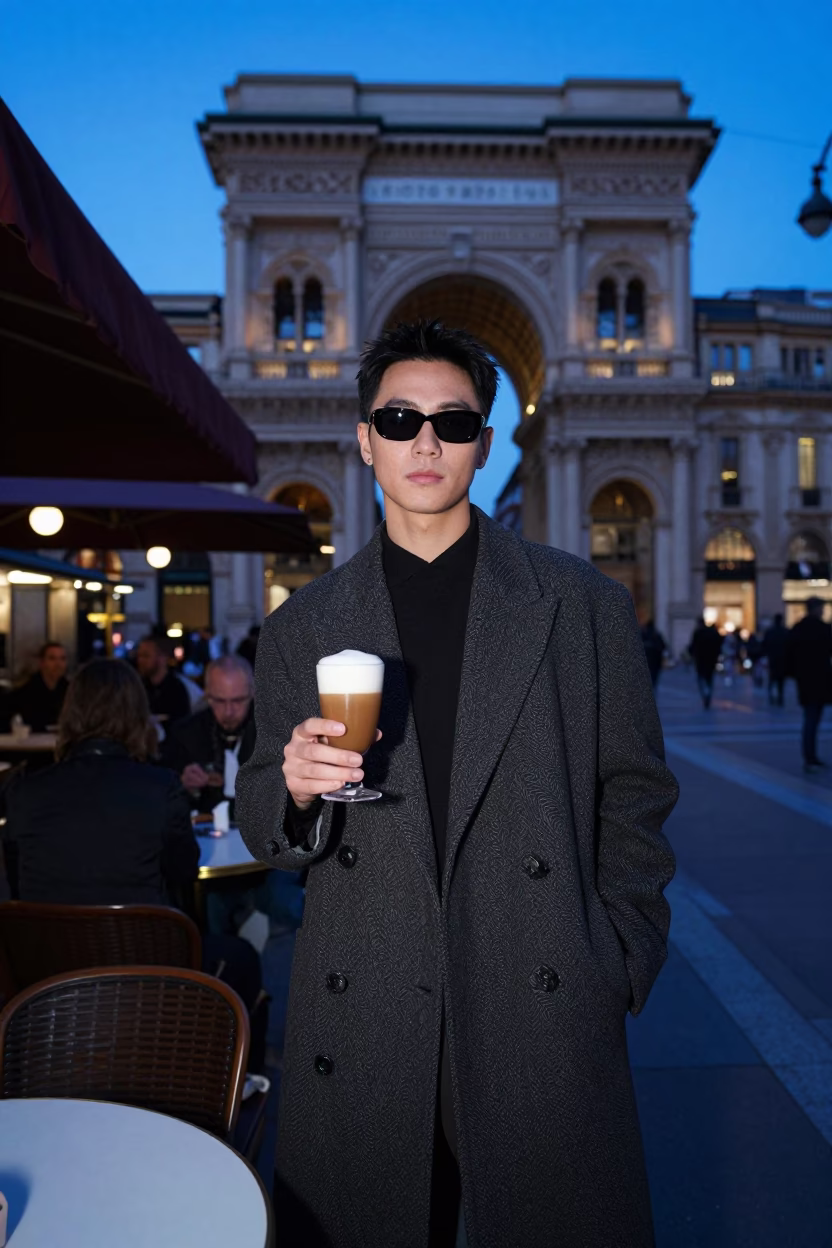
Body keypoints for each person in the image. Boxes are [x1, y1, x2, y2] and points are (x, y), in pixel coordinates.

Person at [237, 320, 679, 1248]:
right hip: (368, 998)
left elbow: (635, 790)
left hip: (540, 985)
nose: (424, 441)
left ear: (485, 442)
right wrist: (295, 788)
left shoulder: (581, 605)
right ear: (364, 441)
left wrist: (621, 954)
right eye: (398, 419)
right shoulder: (302, 625)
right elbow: (259, 817)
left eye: (452, 420)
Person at [0, 657, 267, 1069]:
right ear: (136, 717)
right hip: (146, 973)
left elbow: (18, 886)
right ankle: (232, 1087)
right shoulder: (159, 789)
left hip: (48, 981)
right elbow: (184, 870)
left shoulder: (22, 794)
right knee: (243, 957)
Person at [162, 655, 303, 934]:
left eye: (238, 701)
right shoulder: (184, 734)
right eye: (219, 701)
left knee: (284, 904)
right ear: (206, 695)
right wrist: (186, 786)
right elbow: (167, 799)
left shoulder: (274, 732)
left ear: (253, 694)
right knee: (210, 909)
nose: (228, 711)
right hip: (213, 856)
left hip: (268, 852)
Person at [785, 597, 832, 773]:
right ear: (816, 609)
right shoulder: (824, 629)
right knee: (813, 718)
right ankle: (811, 756)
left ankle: (809, 755)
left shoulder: (798, 629)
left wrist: (794, 674)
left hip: (804, 679)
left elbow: (788, 654)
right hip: (821, 678)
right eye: (822, 608)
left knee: (810, 717)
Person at [1, 641, 69, 731]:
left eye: (62, 659)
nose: (58, 664)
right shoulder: (26, 693)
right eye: (52, 658)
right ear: (42, 662)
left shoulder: (70, 691)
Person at [135, 635, 191, 726]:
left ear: (162, 658)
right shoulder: (139, 687)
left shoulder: (177, 689)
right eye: (139, 656)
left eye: (146, 656)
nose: (140, 660)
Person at [689, 616, 723, 709]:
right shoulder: (713, 632)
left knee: (701, 677)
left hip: (700, 659)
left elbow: (692, 646)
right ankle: (708, 692)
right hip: (712, 659)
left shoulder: (698, 633)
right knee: (709, 677)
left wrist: (691, 654)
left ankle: (705, 692)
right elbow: (720, 644)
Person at [763, 612, 789, 706]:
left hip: (773, 659)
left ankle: (772, 696)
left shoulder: (770, 632)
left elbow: (764, 645)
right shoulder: (785, 632)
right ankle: (779, 697)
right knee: (780, 681)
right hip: (782, 659)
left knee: (773, 679)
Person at [641, 619, 667, 687]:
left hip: (647, 662)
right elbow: (664, 646)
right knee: (654, 679)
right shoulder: (657, 635)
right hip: (656, 662)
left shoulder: (643, 636)